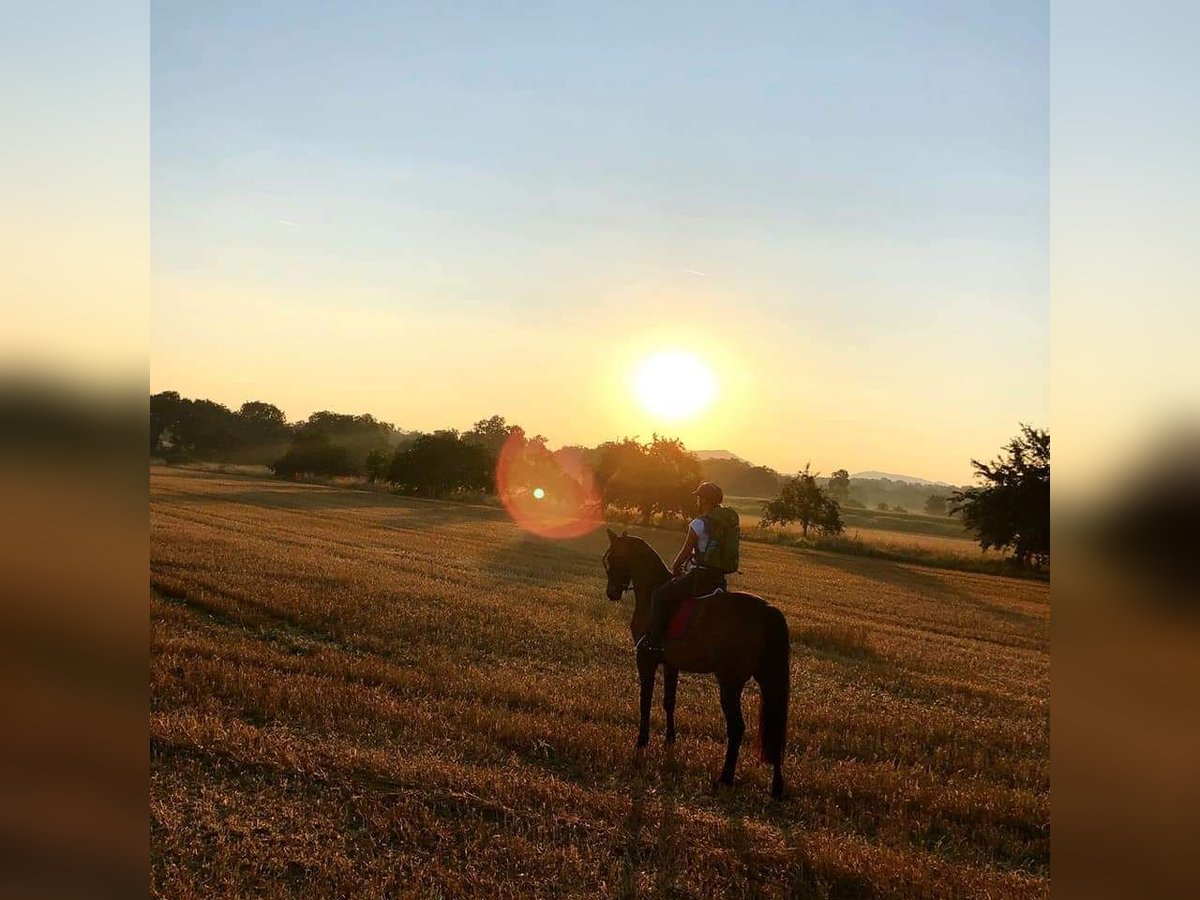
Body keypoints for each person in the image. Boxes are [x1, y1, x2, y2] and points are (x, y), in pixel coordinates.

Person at [641, 481, 741, 653]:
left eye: (699, 497)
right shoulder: (725, 523)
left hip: (699, 578)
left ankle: (655, 645)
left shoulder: (699, 523)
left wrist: (676, 565)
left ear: (704, 500)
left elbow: (686, 552)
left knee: (658, 596)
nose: (697, 500)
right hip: (718, 579)